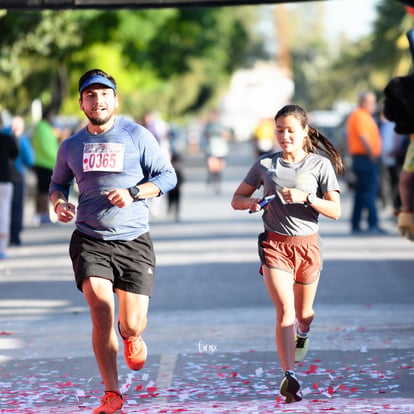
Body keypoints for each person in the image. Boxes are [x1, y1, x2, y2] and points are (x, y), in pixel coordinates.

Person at [49, 69, 177, 414]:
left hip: (134, 240)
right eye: (90, 95)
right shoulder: (71, 146)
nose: (98, 100)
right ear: (81, 103)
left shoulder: (137, 135)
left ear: (115, 100)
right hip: (90, 238)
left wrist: (135, 193)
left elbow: (168, 176)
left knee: (132, 323)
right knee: (101, 309)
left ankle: (132, 335)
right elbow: (57, 185)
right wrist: (60, 204)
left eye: (104, 94)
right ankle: (112, 393)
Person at [231, 104, 343, 403]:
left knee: (303, 315)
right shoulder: (265, 164)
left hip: (307, 247)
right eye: (279, 130)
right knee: (285, 311)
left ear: (304, 132)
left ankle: (304, 332)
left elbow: (335, 210)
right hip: (274, 246)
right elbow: (236, 199)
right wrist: (252, 202)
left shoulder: (320, 166)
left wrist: (308, 198)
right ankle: (289, 376)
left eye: (291, 130)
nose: (284, 136)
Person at [346, 91, 384, 234]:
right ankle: (373, 224)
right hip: (365, 158)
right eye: (371, 102)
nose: (373, 105)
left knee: (361, 193)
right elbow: (363, 137)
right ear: (363, 102)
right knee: (369, 192)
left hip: (364, 158)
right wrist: (372, 154)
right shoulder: (360, 115)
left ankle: (356, 224)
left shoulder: (364, 116)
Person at [7, 116, 34, 246]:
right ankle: (15, 236)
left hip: (3, 176)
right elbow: (30, 159)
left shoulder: (3, 135)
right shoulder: (22, 139)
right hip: (17, 175)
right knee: (17, 207)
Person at [32, 108, 59, 225]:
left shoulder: (44, 128)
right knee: (44, 191)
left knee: (43, 190)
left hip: (46, 163)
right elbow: (46, 148)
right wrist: (58, 160)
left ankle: (41, 214)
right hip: (44, 163)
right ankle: (44, 215)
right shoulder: (42, 128)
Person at [0, 119, 19, 259]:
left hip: (6, 181)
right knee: (4, 213)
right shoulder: (6, 138)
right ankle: (2, 248)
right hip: (5, 180)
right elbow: (15, 153)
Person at [202, 110, 231, 194]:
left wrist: (223, 135)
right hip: (211, 149)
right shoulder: (208, 125)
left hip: (221, 150)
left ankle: (217, 184)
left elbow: (228, 135)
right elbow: (205, 135)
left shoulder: (222, 125)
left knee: (219, 169)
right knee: (212, 167)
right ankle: (210, 178)